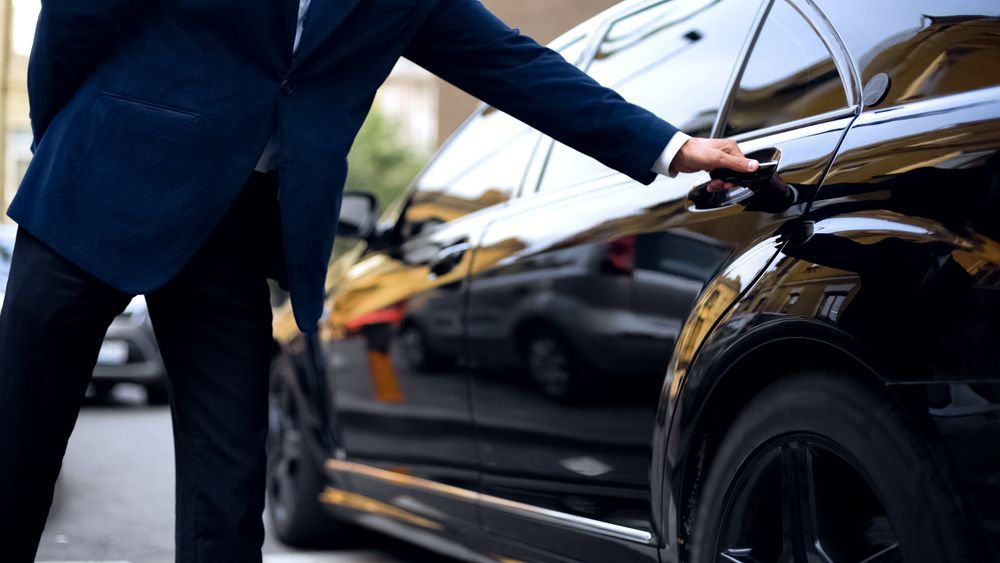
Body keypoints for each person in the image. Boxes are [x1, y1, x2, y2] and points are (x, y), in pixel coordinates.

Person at [0, 0, 757, 560]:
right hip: (96, 189)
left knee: (229, 487)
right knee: (20, 445)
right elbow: (75, 23)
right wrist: (64, 144)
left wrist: (672, 147)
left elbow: (514, 65)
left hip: (235, 228)